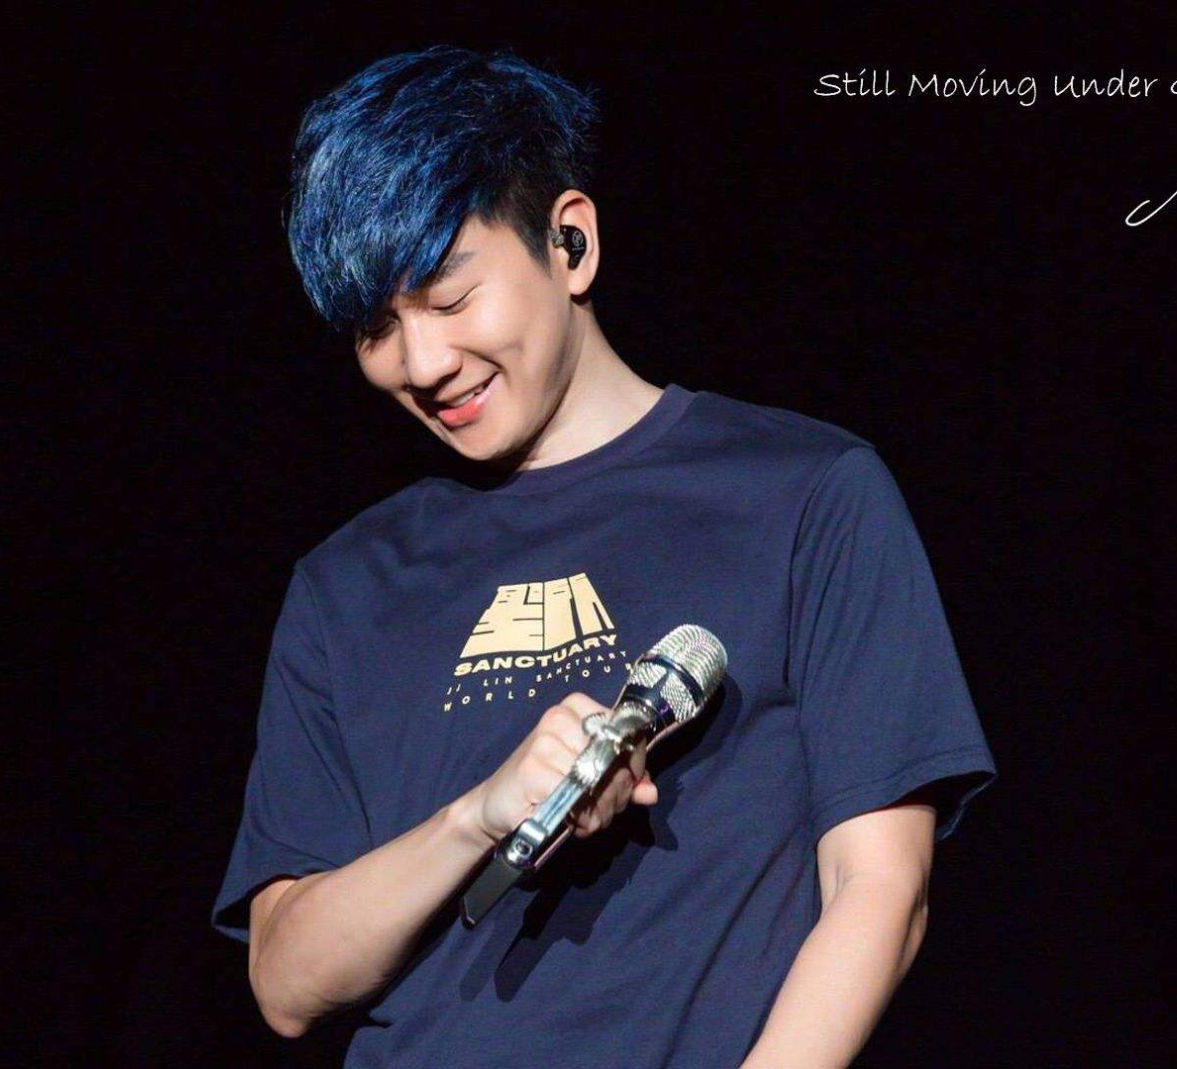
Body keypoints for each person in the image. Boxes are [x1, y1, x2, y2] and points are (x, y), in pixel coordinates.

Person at [211, 45, 997, 1067]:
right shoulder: (345, 584)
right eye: (376, 328)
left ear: (570, 243)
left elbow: (879, 891)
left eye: (448, 299)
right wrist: (475, 815)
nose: (423, 362)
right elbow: (284, 981)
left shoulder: (802, 493)